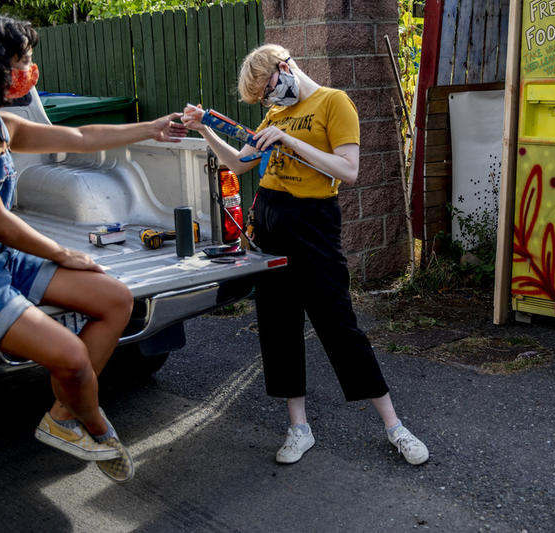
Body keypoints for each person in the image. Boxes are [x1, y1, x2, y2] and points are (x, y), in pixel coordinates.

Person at [0, 13, 187, 481]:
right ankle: (96, 427)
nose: (28, 70)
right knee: (72, 357)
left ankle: (61, 417)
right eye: (21, 61)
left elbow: (79, 136)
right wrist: (60, 252)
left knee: (115, 299)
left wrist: (151, 128)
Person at [182, 44, 428, 465]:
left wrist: (289, 141)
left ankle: (394, 426)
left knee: (339, 325)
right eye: (261, 99)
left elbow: (348, 170)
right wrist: (204, 129)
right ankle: (299, 428)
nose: (269, 100)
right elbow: (240, 165)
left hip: (314, 223)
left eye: (268, 89)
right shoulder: (274, 115)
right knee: (278, 326)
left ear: (285, 66)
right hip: (271, 224)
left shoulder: (334, 102)